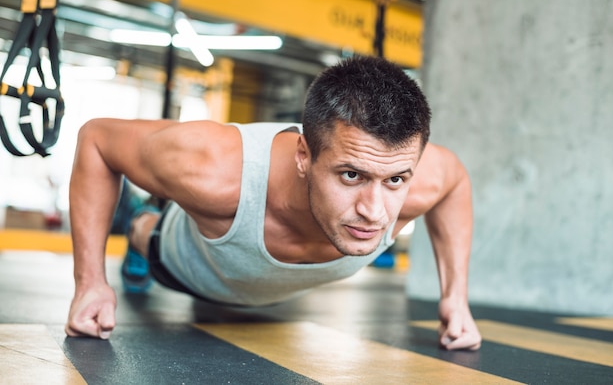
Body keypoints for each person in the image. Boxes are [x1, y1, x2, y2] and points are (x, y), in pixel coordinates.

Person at [65, 55, 482, 351]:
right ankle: (140, 221)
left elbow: (456, 182)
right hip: (184, 266)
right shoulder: (211, 167)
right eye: (351, 175)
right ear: (304, 155)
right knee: (147, 231)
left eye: (394, 180)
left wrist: (455, 295)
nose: (374, 210)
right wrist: (90, 282)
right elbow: (98, 138)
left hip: (272, 291)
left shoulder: (417, 175)